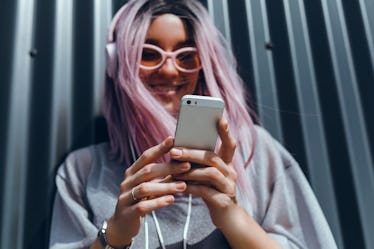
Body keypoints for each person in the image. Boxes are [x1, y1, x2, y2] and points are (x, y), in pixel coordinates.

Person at [49, 0, 338, 248]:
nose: (170, 69)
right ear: (118, 63)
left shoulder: (256, 152)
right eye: (149, 53)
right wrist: (113, 235)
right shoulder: (84, 170)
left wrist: (233, 217)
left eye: (187, 56)